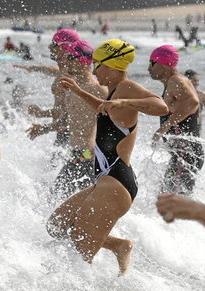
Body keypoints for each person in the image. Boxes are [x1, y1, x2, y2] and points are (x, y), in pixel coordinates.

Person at [48, 39, 169, 275]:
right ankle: (118, 245)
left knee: (81, 255)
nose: (94, 71)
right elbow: (103, 107)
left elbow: (161, 106)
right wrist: (77, 90)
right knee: (57, 225)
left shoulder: (126, 88)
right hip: (105, 181)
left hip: (116, 183)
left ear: (112, 66)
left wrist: (125, 101)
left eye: (98, 65)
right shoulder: (112, 93)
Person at [44, 40, 106, 199]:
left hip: (88, 155)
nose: (65, 61)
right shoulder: (74, 87)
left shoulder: (98, 89)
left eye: (70, 57)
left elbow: (117, 121)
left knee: (55, 198)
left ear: (83, 61)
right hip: (77, 152)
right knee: (61, 199)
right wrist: (43, 128)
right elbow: (69, 120)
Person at [148, 45, 204, 196]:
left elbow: (192, 102)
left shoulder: (176, 81)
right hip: (182, 155)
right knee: (166, 197)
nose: (149, 68)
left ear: (164, 64)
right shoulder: (172, 83)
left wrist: (163, 129)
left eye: (152, 63)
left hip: (185, 154)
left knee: (173, 200)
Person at [22, 29, 81, 151]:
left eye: (54, 43)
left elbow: (73, 113)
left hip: (71, 136)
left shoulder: (71, 75)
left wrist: (43, 120)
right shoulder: (64, 70)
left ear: (65, 47)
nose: (49, 47)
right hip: (63, 132)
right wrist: (32, 68)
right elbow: (52, 70)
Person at [185, 70, 205, 138]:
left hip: (197, 125)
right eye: (194, 80)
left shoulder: (202, 95)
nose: (197, 83)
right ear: (187, 80)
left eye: (198, 81)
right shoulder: (182, 95)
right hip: (183, 124)